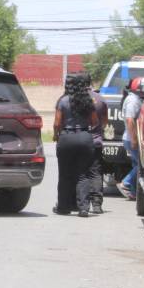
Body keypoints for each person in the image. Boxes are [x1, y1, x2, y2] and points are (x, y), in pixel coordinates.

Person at [53, 74, 99, 217]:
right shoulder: (88, 101)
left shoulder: (63, 100)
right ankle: (83, 207)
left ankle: (63, 207)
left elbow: (57, 123)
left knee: (65, 174)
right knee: (83, 174)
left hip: (67, 137)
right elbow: (95, 122)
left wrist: (56, 135)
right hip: (85, 137)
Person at [116, 76, 144, 201]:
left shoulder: (135, 99)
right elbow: (130, 120)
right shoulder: (133, 100)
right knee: (141, 165)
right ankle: (125, 183)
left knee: (136, 164)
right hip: (131, 138)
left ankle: (133, 192)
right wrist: (134, 139)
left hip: (132, 137)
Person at [87, 76, 108, 215]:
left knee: (80, 173)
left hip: (78, 141)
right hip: (96, 141)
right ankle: (96, 204)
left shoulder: (73, 98)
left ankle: (81, 203)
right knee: (95, 173)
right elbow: (105, 122)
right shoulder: (100, 99)